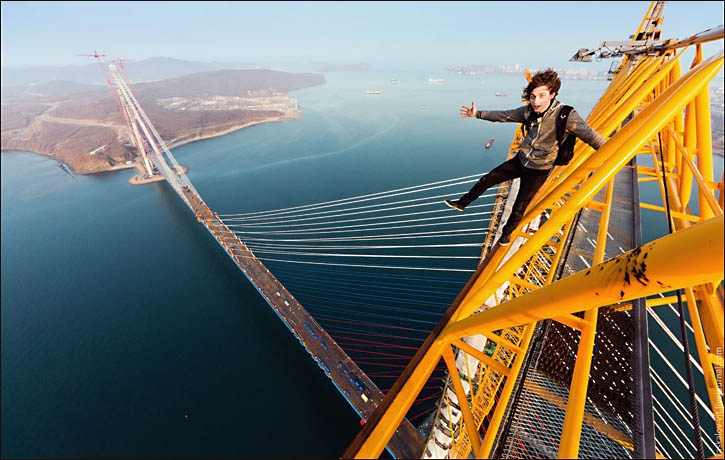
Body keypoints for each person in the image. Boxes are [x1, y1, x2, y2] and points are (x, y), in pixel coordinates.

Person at [445, 68, 606, 246]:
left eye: (542, 95)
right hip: (521, 160)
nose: (536, 101)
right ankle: (462, 203)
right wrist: (477, 114)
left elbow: (591, 136)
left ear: (552, 94)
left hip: (539, 169)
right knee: (487, 179)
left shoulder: (566, 115)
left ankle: (505, 235)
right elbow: (504, 116)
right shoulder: (528, 111)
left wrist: (612, 151)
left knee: (519, 206)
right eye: (532, 96)